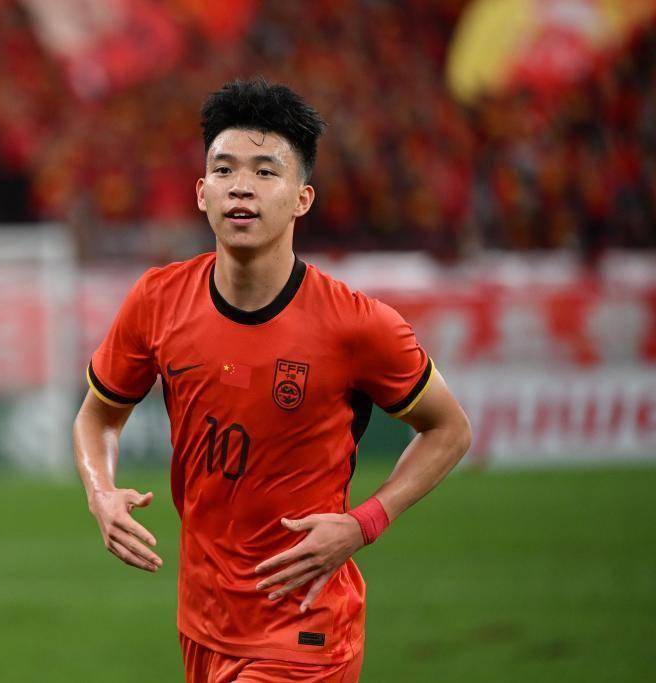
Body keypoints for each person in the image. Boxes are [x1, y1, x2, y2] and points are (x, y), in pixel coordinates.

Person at [72, 78, 472, 682]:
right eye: (224, 169)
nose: (242, 186)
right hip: (203, 622)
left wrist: (364, 522)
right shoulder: (157, 301)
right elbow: (98, 414)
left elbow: (449, 429)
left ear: (302, 199)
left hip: (305, 630)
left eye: (265, 172)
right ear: (201, 193)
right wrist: (101, 491)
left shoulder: (357, 325)